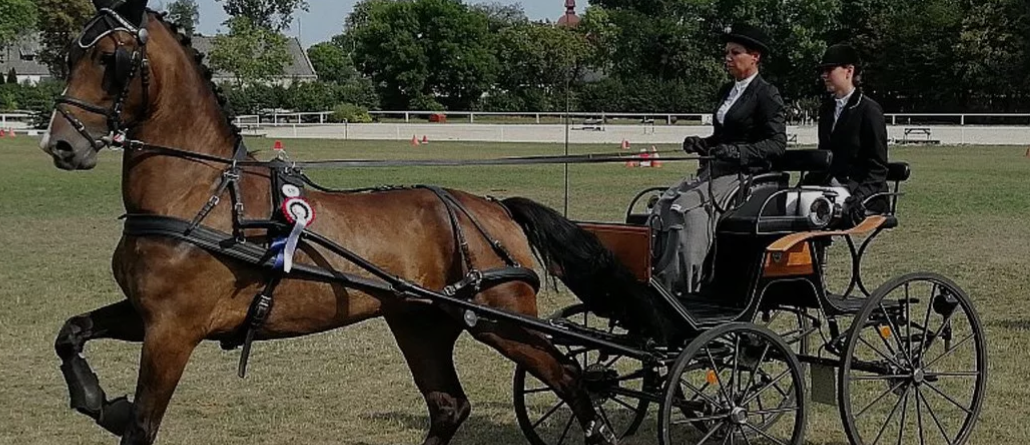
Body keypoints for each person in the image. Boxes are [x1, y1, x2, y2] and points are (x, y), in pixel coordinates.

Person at [650, 23, 787, 296]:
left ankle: (685, 285)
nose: (728, 58)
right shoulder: (727, 90)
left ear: (754, 57)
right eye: (726, 53)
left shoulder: (766, 94)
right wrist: (704, 143)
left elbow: (777, 144)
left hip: (747, 176)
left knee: (685, 210)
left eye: (735, 53)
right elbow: (723, 135)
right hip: (716, 170)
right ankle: (655, 278)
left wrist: (737, 153)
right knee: (663, 205)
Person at [802, 43, 889, 227]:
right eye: (822, 70)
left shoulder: (869, 110)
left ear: (849, 71)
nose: (824, 75)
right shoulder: (826, 110)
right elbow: (824, 156)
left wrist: (858, 197)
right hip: (830, 188)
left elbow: (878, 168)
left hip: (862, 193)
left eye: (829, 69)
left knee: (815, 212)